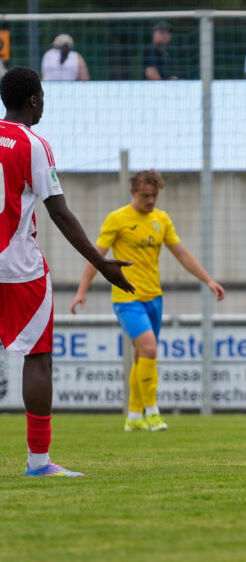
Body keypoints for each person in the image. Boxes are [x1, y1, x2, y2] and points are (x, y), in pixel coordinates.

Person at [0, 66, 134, 476]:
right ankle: (38, 461)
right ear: (34, 99)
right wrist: (101, 263)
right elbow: (58, 211)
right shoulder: (33, 144)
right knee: (37, 359)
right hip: (18, 268)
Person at [70, 170, 226, 432]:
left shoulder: (161, 220)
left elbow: (182, 254)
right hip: (126, 298)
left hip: (154, 297)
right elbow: (97, 257)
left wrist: (208, 280)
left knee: (141, 356)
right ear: (133, 193)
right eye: (145, 196)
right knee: (150, 349)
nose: (151, 201)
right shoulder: (117, 219)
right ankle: (152, 413)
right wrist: (81, 290)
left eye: (154, 196)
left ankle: (133, 416)